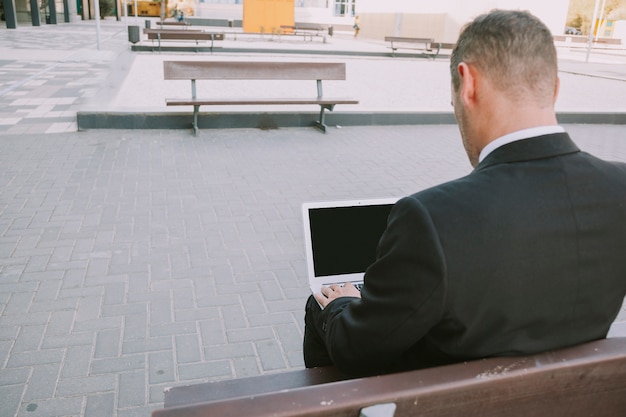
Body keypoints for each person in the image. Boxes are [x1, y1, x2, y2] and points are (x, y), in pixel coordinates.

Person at [303, 9, 626, 378]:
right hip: (575, 400)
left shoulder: (430, 218)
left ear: (467, 83)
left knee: (321, 307)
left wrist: (340, 306)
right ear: (554, 88)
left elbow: (356, 348)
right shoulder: (620, 187)